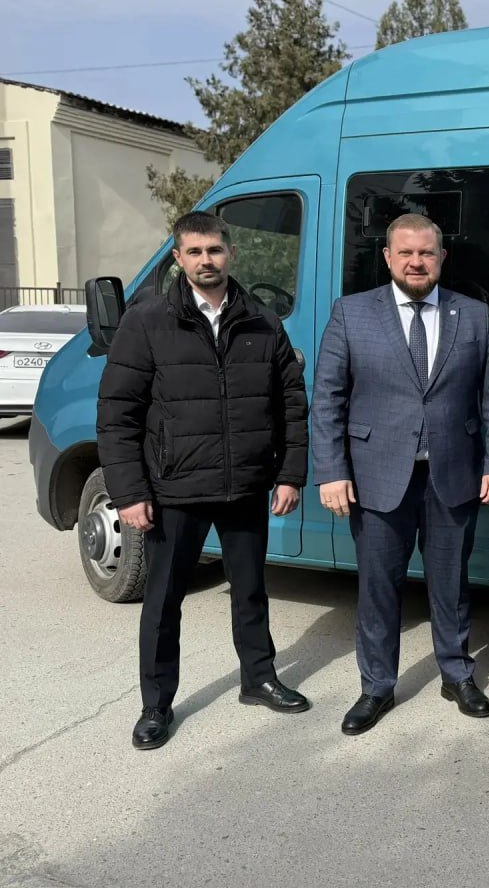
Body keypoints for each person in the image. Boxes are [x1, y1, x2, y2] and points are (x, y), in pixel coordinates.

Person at [97, 210, 311, 751]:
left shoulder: (262, 321)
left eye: (214, 250)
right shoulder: (147, 322)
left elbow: (290, 403)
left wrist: (290, 474)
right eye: (194, 252)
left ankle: (258, 679)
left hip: (245, 486)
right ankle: (155, 705)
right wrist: (130, 493)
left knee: (251, 591)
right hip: (175, 488)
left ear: (231, 252)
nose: (206, 260)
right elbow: (118, 414)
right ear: (178, 258)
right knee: (163, 601)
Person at [312, 213, 489, 735]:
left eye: (426, 252)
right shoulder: (352, 313)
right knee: (379, 588)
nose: (416, 262)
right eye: (406, 252)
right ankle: (376, 686)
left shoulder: (473, 315)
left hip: (453, 473)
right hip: (376, 476)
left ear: (442, 257)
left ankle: (456, 673)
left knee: (451, 584)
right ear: (388, 257)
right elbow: (327, 398)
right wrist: (331, 471)